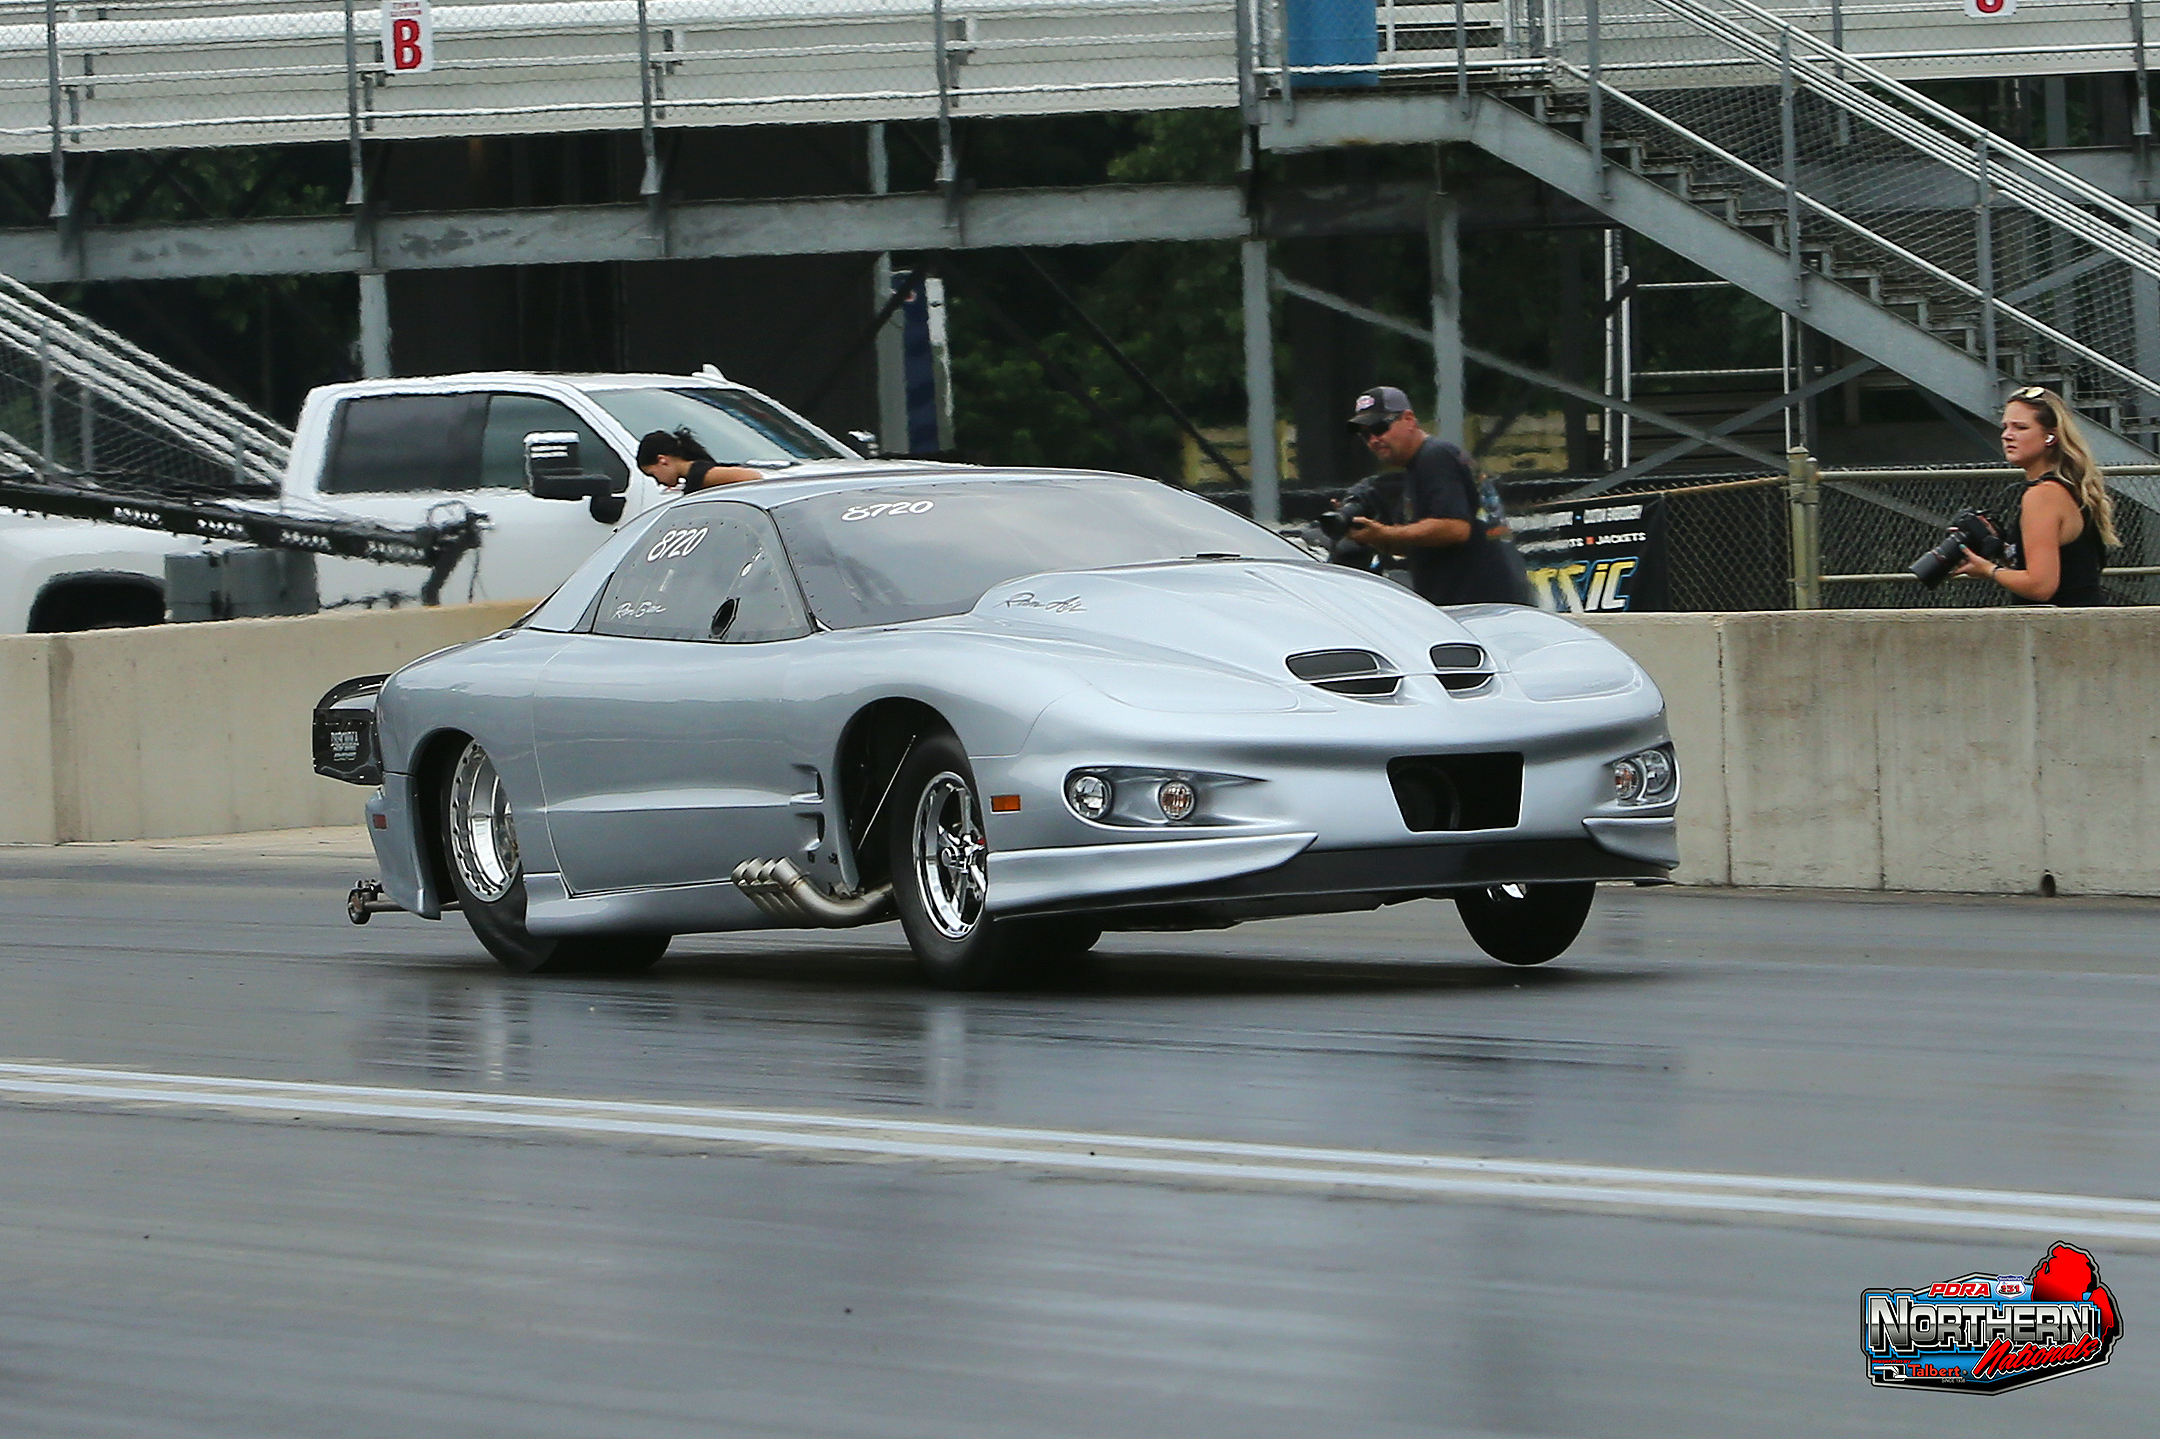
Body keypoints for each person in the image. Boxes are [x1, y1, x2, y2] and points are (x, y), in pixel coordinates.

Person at [1342, 386, 1531, 606]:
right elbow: (1421, 544)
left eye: (1380, 428)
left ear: (1409, 419)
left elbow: (1455, 528)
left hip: (1482, 603)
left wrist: (1386, 532)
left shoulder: (1435, 457)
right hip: (1481, 601)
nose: (1374, 439)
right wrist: (1373, 536)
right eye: (1365, 435)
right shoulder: (1419, 467)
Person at [1950, 385, 2114, 606]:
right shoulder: (2065, 488)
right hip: (2080, 617)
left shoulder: (2043, 495)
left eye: (2020, 427)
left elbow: (2041, 586)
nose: (2007, 435)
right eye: (2005, 427)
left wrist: (1988, 569)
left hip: (2063, 622)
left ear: (2050, 436)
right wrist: (2000, 549)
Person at [635, 428, 764, 495]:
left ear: (662, 460)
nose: (658, 483)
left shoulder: (702, 475)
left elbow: (753, 477)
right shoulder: (695, 475)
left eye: (652, 474)